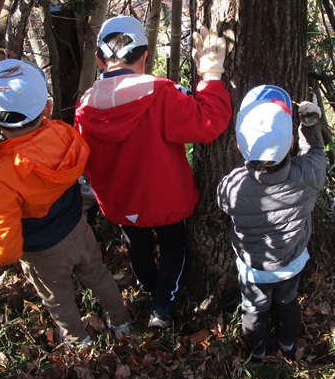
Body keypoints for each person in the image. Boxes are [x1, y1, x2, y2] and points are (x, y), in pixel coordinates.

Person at [74, 16, 232, 328]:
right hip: (168, 200)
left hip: (121, 204)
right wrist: (211, 74)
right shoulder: (160, 94)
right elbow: (208, 123)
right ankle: (161, 307)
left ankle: (147, 287)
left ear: (98, 59)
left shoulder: (85, 107)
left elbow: (83, 159)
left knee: (138, 247)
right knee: (175, 245)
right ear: (145, 56)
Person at [0, 58, 130, 346]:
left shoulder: (1, 176)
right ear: (48, 107)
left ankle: (79, 342)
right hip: (79, 229)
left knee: (58, 299)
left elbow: (4, 250)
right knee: (100, 276)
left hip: (43, 253)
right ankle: (122, 322)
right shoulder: (62, 133)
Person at [216, 85, 327, 361]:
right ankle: (288, 346)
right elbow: (315, 152)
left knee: (254, 309)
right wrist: (309, 125)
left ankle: (258, 354)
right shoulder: (308, 176)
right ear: (290, 143)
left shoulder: (234, 188)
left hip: (254, 268)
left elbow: (222, 201)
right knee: (287, 303)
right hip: (291, 263)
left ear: (240, 146)